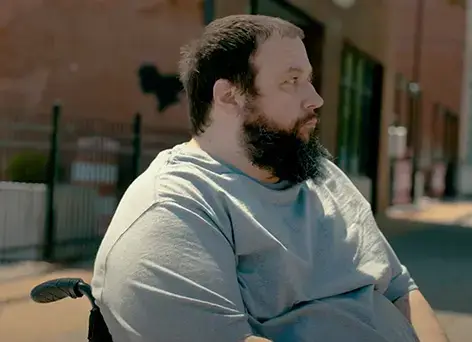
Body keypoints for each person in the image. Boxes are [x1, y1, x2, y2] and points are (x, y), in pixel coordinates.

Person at [91, 14, 449, 342]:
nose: (316, 98)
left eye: (309, 80)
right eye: (292, 81)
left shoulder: (322, 178)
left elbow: (401, 288)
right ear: (229, 96)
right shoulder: (174, 207)